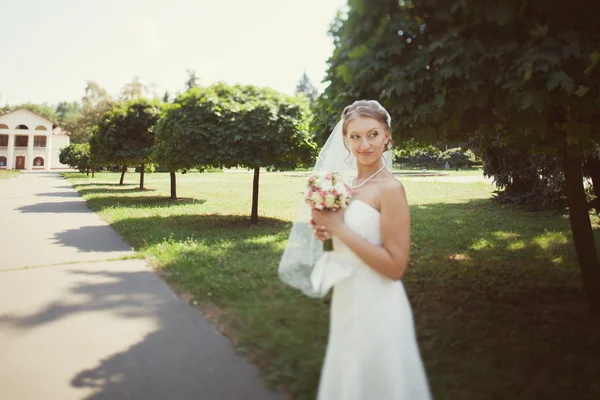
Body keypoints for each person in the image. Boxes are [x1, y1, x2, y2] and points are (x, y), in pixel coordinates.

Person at [278, 100, 432, 400]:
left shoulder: (390, 189)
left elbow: (395, 266)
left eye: (373, 134)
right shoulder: (347, 186)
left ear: (387, 135)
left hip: (378, 302)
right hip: (347, 298)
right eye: (355, 136)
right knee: (349, 379)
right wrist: (326, 232)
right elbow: (348, 238)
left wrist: (340, 229)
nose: (364, 144)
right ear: (345, 140)